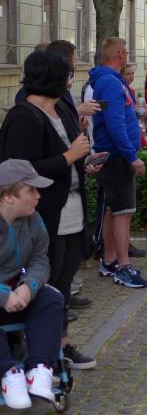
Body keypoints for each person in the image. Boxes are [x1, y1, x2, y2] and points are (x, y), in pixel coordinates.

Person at [0, 50, 97, 370]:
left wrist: (84, 162)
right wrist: (70, 157)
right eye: (67, 74)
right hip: (42, 210)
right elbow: (19, 172)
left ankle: (61, 345)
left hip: (71, 205)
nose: (71, 80)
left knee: (65, 277)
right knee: (47, 276)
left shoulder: (63, 109)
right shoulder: (23, 117)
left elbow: (73, 152)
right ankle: (35, 351)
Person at [0, 160, 64, 409]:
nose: (38, 195)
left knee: (52, 298)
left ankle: (39, 370)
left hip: (17, 291)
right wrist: (4, 295)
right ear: (8, 196)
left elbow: (40, 259)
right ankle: (8, 374)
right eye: (31, 190)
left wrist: (28, 287)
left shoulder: (33, 220)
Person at [88, 38, 147, 289]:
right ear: (121, 55)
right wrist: (131, 156)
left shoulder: (109, 80)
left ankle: (110, 260)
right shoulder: (111, 82)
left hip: (115, 154)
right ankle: (123, 266)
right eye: (126, 53)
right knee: (123, 212)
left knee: (115, 210)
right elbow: (115, 123)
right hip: (117, 156)